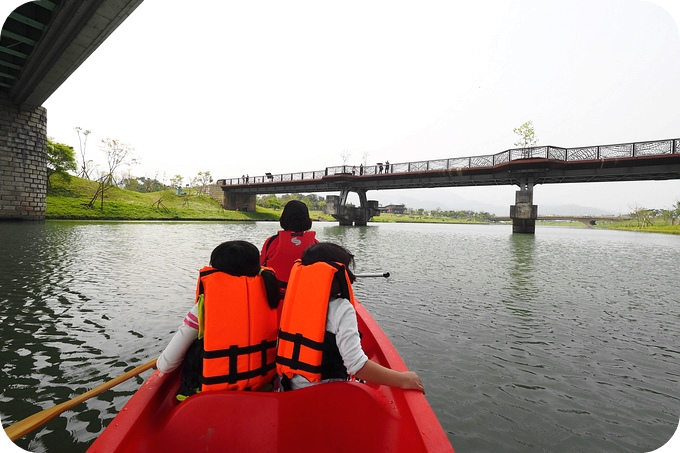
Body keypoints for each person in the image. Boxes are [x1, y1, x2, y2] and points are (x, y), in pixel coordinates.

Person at [276, 242, 425, 394]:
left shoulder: (293, 302)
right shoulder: (341, 308)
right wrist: (403, 379)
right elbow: (357, 366)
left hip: (288, 390)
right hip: (322, 397)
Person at [157, 240, 281, 398]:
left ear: (216, 271)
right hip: (263, 390)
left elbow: (165, 365)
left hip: (212, 398)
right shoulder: (272, 298)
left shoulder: (203, 308)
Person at [260, 200, 318, 290]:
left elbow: (260, 266)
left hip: (275, 299)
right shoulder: (316, 245)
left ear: (283, 219)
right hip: (303, 296)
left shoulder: (271, 242)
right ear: (308, 220)